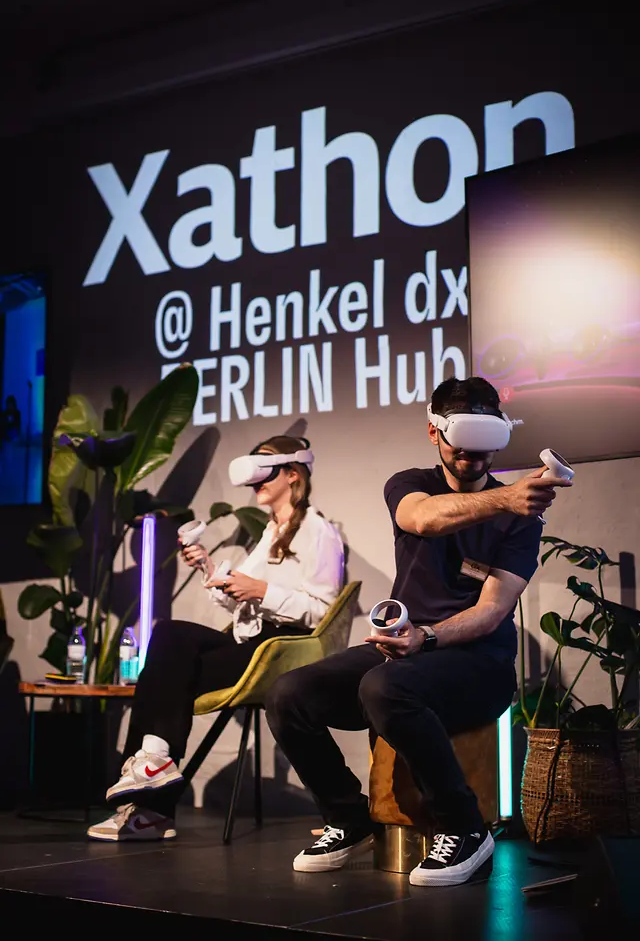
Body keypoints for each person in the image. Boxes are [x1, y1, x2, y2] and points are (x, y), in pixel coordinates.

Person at [265, 377, 572, 886]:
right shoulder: (411, 483)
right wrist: (506, 498)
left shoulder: (521, 516)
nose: (473, 459)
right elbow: (423, 519)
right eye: (462, 446)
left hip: (478, 664)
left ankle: (466, 830)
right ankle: (346, 815)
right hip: (406, 650)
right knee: (290, 694)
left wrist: (426, 638)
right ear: (434, 432)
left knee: (384, 685)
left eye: (484, 449)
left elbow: (493, 610)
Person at [88, 435, 344, 842]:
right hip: (252, 643)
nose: (256, 484)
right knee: (166, 656)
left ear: (292, 474)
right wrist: (212, 570)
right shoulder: (269, 533)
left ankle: (151, 798)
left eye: (265, 473)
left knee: (171, 652)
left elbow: (322, 611)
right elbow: (240, 604)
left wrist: (261, 591)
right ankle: (152, 771)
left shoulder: (319, 532)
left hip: (282, 651)